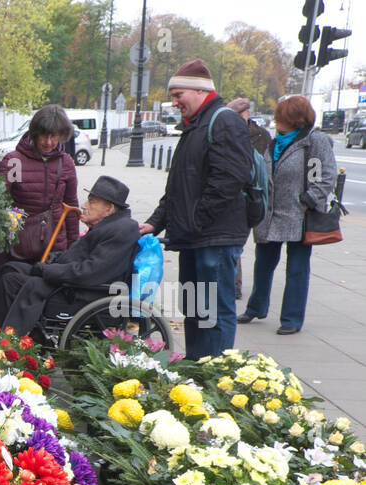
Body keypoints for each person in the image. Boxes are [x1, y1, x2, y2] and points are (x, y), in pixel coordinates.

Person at [139, 59, 253, 359]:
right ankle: (196, 369)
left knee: (213, 313)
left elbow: (229, 180)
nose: (174, 102)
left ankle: (213, 375)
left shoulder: (223, 121)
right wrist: (155, 222)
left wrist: (195, 220)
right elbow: (179, 187)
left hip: (213, 237)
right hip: (196, 236)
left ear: (200, 91)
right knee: (194, 310)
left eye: (179, 95)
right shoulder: (196, 126)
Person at [0, 175, 141, 336]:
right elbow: (78, 256)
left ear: (109, 209)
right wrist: (52, 261)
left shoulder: (122, 230)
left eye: (92, 202)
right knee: (7, 269)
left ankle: (3, 339)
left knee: (11, 281)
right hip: (72, 280)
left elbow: (89, 272)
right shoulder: (110, 224)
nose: (84, 205)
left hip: (83, 291)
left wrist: (47, 271)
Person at [239, 95, 335, 336]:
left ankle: (291, 318)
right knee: (263, 264)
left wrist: (309, 200)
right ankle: (256, 308)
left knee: (297, 268)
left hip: (299, 215)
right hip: (269, 215)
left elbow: (326, 176)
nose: (276, 120)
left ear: (294, 119)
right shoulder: (275, 143)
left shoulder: (315, 141)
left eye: (280, 117)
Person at [0, 106, 80, 269]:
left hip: (54, 246)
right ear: (34, 133)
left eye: (53, 136)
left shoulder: (66, 163)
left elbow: (71, 209)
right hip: (19, 247)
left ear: (61, 135)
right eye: (43, 136)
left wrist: (73, 247)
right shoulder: (15, 162)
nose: (48, 142)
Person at [228, 97, 274, 301]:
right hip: (248, 197)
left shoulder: (260, 136)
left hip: (250, 196)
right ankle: (234, 286)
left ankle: (235, 286)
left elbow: (264, 167)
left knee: (235, 245)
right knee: (234, 246)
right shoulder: (255, 134)